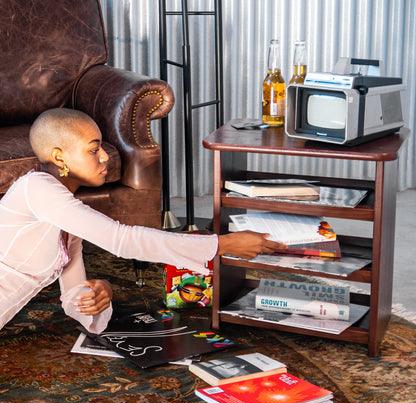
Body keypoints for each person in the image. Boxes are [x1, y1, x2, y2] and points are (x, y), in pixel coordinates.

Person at [0, 108, 284, 334]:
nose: (105, 158)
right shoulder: (36, 189)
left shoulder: (64, 211)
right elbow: (121, 239)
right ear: (59, 157)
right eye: (93, 149)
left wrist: (101, 293)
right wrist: (222, 244)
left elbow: (74, 296)